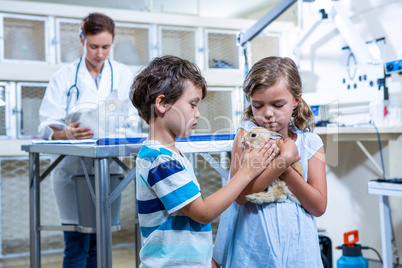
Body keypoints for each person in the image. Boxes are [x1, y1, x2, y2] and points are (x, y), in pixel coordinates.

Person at [130, 55, 277, 267]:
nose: (198, 114)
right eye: (192, 105)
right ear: (161, 103)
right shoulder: (160, 159)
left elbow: (186, 223)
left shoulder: (170, 154)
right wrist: (247, 171)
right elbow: (203, 213)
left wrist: (205, 260)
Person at [38, 13, 141, 267]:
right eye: (93, 46)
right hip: (71, 168)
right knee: (76, 245)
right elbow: (45, 123)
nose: (99, 53)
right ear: (82, 39)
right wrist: (65, 133)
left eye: (106, 47)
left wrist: (123, 128)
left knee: (99, 243)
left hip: (109, 167)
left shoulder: (123, 74)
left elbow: (133, 118)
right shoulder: (64, 78)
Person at [212, 56, 327, 267]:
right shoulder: (247, 135)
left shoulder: (311, 142)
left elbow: (318, 206)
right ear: (249, 101)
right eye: (257, 105)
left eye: (278, 104)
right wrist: (282, 161)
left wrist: (289, 170)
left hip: (299, 249)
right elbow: (241, 196)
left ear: (296, 100)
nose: (267, 114)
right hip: (254, 247)